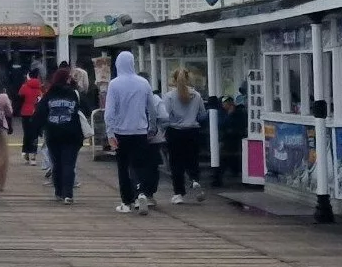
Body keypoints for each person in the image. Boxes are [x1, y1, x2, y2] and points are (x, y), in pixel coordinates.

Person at [102, 50, 162, 214]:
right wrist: (152, 127)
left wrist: (110, 133)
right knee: (140, 164)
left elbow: (109, 112)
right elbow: (152, 108)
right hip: (140, 131)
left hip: (121, 132)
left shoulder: (114, 84)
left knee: (123, 167)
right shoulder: (143, 83)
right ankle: (141, 192)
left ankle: (126, 202)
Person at [39, 66, 87, 203]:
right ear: (67, 79)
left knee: (57, 163)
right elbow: (87, 109)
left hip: (53, 133)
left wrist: (38, 129)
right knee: (69, 164)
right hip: (72, 134)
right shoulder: (75, 93)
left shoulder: (49, 94)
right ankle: (68, 194)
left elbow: (40, 112)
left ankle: (58, 192)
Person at [160, 70, 208, 203]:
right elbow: (202, 115)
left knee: (176, 163)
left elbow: (165, 116)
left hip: (175, 132)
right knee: (192, 159)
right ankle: (195, 180)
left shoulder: (169, 96)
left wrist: (163, 129)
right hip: (193, 131)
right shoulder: (197, 95)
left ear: (174, 80)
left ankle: (179, 193)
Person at [213, 93, 246, 189]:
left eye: (228, 103)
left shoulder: (239, 112)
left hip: (236, 137)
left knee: (229, 156)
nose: (225, 105)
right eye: (224, 103)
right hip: (225, 138)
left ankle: (234, 170)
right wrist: (229, 115)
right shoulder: (220, 112)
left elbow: (241, 125)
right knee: (224, 156)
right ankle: (218, 177)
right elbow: (221, 125)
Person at [17, 65, 47, 164]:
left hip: (25, 113)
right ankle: (33, 156)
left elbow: (19, 100)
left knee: (27, 134)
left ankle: (26, 153)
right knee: (35, 134)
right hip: (36, 113)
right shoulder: (40, 89)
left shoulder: (24, 87)